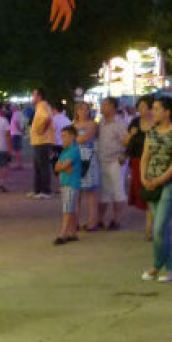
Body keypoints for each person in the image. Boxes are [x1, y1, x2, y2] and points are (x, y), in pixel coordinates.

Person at [140, 96, 172, 282]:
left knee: (159, 227)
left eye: (157, 108)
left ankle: (156, 266)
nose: (153, 112)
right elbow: (146, 155)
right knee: (163, 228)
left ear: (168, 112)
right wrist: (144, 177)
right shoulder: (151, 132)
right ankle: (171, 269)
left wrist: (161, 178)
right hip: (152, 183)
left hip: (171, 183)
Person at [125, 96, 156, 239]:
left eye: (144, 106)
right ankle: (150, 224)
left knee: (152, 192)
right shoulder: (135, 122)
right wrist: (131, 135)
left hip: (154, 162)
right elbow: (125, 142)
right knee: (142, 192)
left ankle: (150, 227)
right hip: (137, 161)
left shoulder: (157, 122)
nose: (141, 109)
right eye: (139, 107)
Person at [97, 97, 129, 230]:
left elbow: (127, 141)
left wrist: (124, 155)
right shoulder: (101, 123)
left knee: (117, 190)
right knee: (104, 191)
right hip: (103, 160)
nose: (102, 107)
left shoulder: (119, 124)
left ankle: (117, 220)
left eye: (104, 105)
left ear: (112, 107)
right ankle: (100, 219)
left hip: (116, 160)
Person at [73, 101, 103, 231]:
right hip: (75, 158)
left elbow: (84, 138)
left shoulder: (92, 124)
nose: (84, 112)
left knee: (91, 192)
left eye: (86, 109)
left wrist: (73, 138)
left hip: (88, 157)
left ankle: (92, 222)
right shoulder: (73, 124)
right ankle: (75, 222)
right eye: (81, 109)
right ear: (77, 111)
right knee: (76, 192)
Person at [53, 126, 83, 245]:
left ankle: (63, 233)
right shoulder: (66, 150)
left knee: (67, 209)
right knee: (69, 208)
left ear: (72, 137)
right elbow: (58, 167)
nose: (62, 138)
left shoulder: (74, 150)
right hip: (66, 182)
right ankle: (72, 232)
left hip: (71, 183)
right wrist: (63, 167)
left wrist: (62, 167)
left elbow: (62, 166)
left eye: (65, 136)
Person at [27, 88, 56, 199]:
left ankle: (45, 191)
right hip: (39, 141)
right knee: (38, 167)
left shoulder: (42, 106)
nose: (32, 98)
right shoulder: (41, 106)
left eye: (34, 95)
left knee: (43, 166)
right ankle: (38, 190)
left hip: (43, 141)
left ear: (39, 97)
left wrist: (42, 130)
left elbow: (47, 118)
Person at [9, 103, 27, 170]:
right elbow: (23, 123)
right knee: (17, 150)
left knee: (17, 150)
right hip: (17, 134)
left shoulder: (16, 114)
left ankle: (19, 164)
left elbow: (16, 123)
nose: (11, 109)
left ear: (15, 108)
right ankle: (19, 164)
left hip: (15, 134)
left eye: (12, 108)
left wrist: (20, 130)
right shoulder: (20, 113)